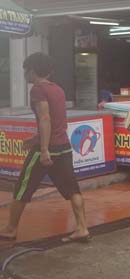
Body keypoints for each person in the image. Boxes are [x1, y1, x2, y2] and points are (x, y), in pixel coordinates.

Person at [0, 53, 90, 243]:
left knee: (22, 188)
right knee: (73, 189)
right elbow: (57, 122)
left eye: (25, 70)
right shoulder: (58, 89)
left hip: (48, 149)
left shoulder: (37, 90)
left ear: (32, 70)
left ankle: (10, 229)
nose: (24, 74)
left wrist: (43, 148)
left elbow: (45, 118)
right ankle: (82, 228)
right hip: (64, 146)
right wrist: (36, 139)